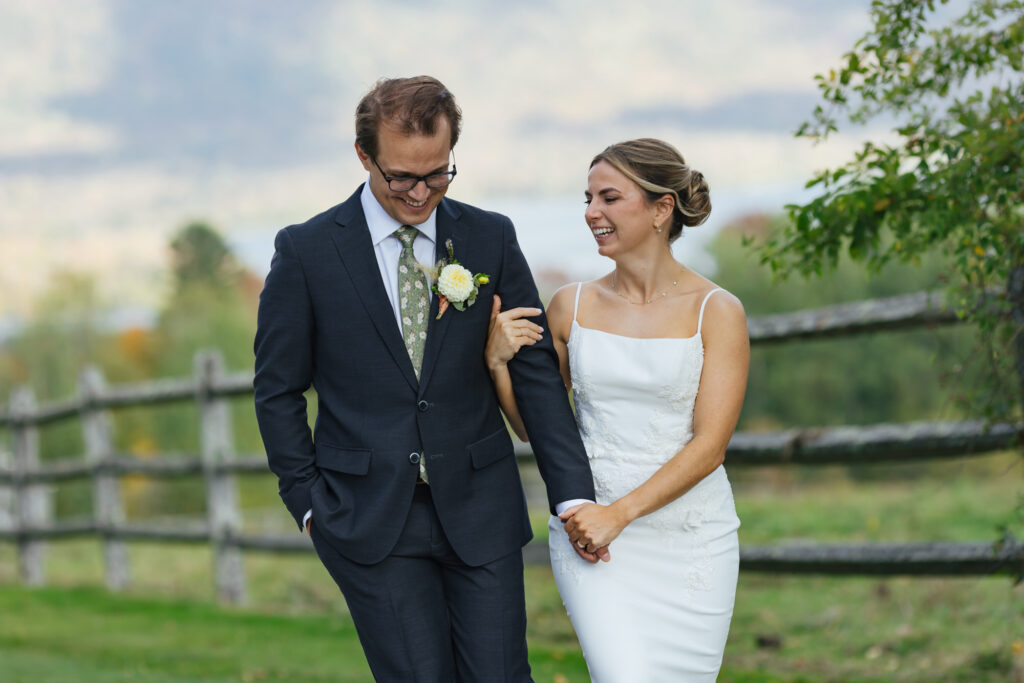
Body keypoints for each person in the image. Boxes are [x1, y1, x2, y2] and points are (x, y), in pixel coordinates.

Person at [253, 75, 598, 682]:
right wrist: (306, 502)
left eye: (438, 173)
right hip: (366, 516)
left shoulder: (490, 236)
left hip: (481, 506)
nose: (421, 192)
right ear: (364, 156)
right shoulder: (306, 252)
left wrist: (572, 492)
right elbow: (278, 389)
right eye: (402, 177)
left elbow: (537, 370)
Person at [486, 138, 748, 681]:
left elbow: (710, 446)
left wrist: (620, 514)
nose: (591, 213)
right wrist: (496, 364)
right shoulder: (569, 306)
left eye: (608, 198)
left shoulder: (717, 312)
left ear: (660, 209)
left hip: (691, 538)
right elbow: (536, 429)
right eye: (587, 198)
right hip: (590, 537)